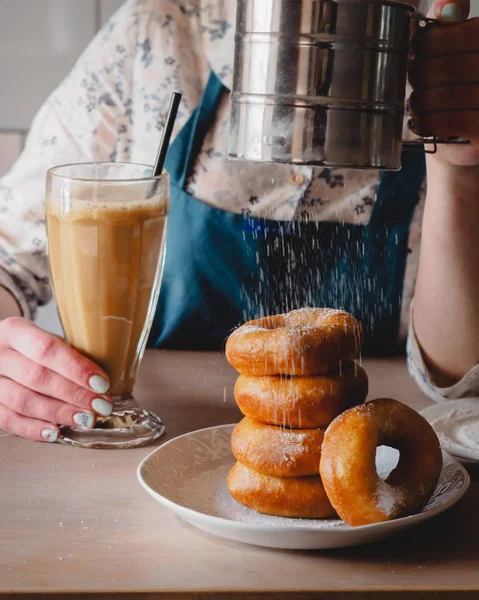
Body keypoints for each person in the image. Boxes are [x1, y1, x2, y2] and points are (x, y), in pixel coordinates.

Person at [0, 0, 478, 442]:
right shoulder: (160, 33)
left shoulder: (452, 79)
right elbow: (9, 258)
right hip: (150, 449)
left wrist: (458, 172)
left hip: (373, 451)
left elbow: (458, 385)